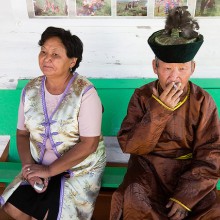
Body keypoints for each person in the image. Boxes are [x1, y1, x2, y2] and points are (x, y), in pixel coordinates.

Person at [110, 6, 220, 220]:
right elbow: (130, 145)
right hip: (146, 171)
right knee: (132, 199)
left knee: (212, 208)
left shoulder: (202, 100)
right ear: (155, 67)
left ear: (193, 68)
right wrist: (160, 110)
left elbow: (211, 152)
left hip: (189, 173)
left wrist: (185, 197)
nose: (175, 77)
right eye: (168, 69)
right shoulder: (142, 96)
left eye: (182, 69)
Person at [0, 26, 106, 220]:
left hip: (77, 168)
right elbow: (22, 134)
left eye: (55, 54)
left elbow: (89, 144)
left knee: (49, 215)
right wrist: (29, 168)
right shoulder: (30, 90)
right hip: (39, 164)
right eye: (43, 51)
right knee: (13, 208)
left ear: (72, 61)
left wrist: (48, 171)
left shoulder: (85, 93)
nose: (46, 58)